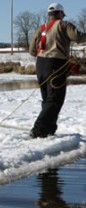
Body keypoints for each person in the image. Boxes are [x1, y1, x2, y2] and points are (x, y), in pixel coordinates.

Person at [29, 3, 86, 138]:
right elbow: (78, 37)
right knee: (54, 100)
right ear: (60, 13)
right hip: (56, 65)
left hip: (40, 65)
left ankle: (48, 129)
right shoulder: (63, 25)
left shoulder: (41, 28)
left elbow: (32, 51)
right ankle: (38, 129)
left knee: (47, 99)